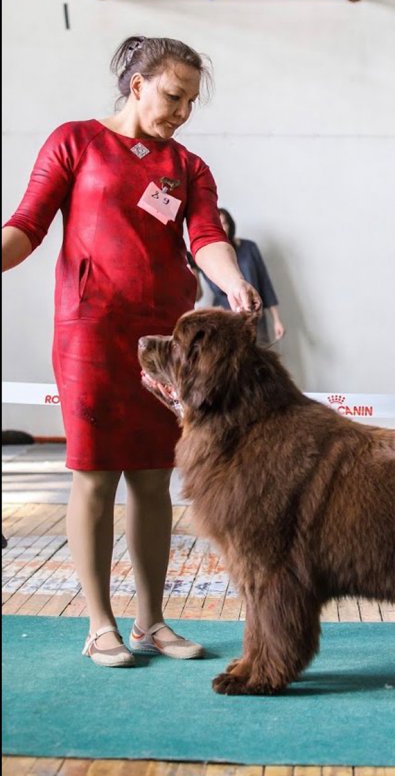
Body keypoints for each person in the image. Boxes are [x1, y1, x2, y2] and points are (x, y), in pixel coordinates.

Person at [2, 36, 261, 667]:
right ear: (137, 84)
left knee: (153, 478)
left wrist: (231, 282)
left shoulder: (189, 167)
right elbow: (27, 226)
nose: (182, 111)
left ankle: (151, 623)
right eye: (174, 95)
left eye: (191, 102)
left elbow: (205, 236)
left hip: (165, 342)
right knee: (94, 474)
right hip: (89, 331)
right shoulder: (75, 141)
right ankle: (99, 625)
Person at [197, 209, 285, 347]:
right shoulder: (206, 256)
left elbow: (264, 282)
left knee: (261, 360)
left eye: (225, 224)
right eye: (218, 225)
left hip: (254, 316)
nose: (222, 228)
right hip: (225, 321)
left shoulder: (249, 248)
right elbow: (200, 293)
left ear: (230, 225)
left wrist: (277, 320)